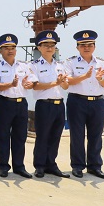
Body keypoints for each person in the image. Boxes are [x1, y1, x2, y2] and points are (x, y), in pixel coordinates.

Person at [64, 30, 104, 179]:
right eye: (83, 45)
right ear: (77, 47)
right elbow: (68, 81)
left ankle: (94, 166)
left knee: (96, 135)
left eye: (90, 45)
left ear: (94, 47)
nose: (86, 48)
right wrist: (85, 76)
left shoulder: (102, 63)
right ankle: (77, 166)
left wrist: (99, 79)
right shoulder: (70, 62)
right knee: (77, 135)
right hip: (77, 101)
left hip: (97, 102)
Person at [28, 30, 70, 178]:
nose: (49, 48)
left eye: (52, 45)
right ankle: (39, 166)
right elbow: (36, 86)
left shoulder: (60, 65)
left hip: (59, 105)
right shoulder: (34, 65)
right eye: (46, 45)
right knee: (42, 136)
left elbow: (65, 86)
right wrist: (55, 83)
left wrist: (62, 82)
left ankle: (51, 164)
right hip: (44, 105)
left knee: (55, 136)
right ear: (39, 47)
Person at [0, 34, 33, 179]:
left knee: (20, 136)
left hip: (21, 103)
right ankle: (3, 166)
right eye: (6, 48)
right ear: (0, 51)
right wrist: (10, 84)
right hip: (5, 103)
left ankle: (19, 166)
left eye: (12, 48)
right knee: (3, 135)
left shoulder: (24, 66)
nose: (10, 50)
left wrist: (29, 84)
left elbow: (32, 81)